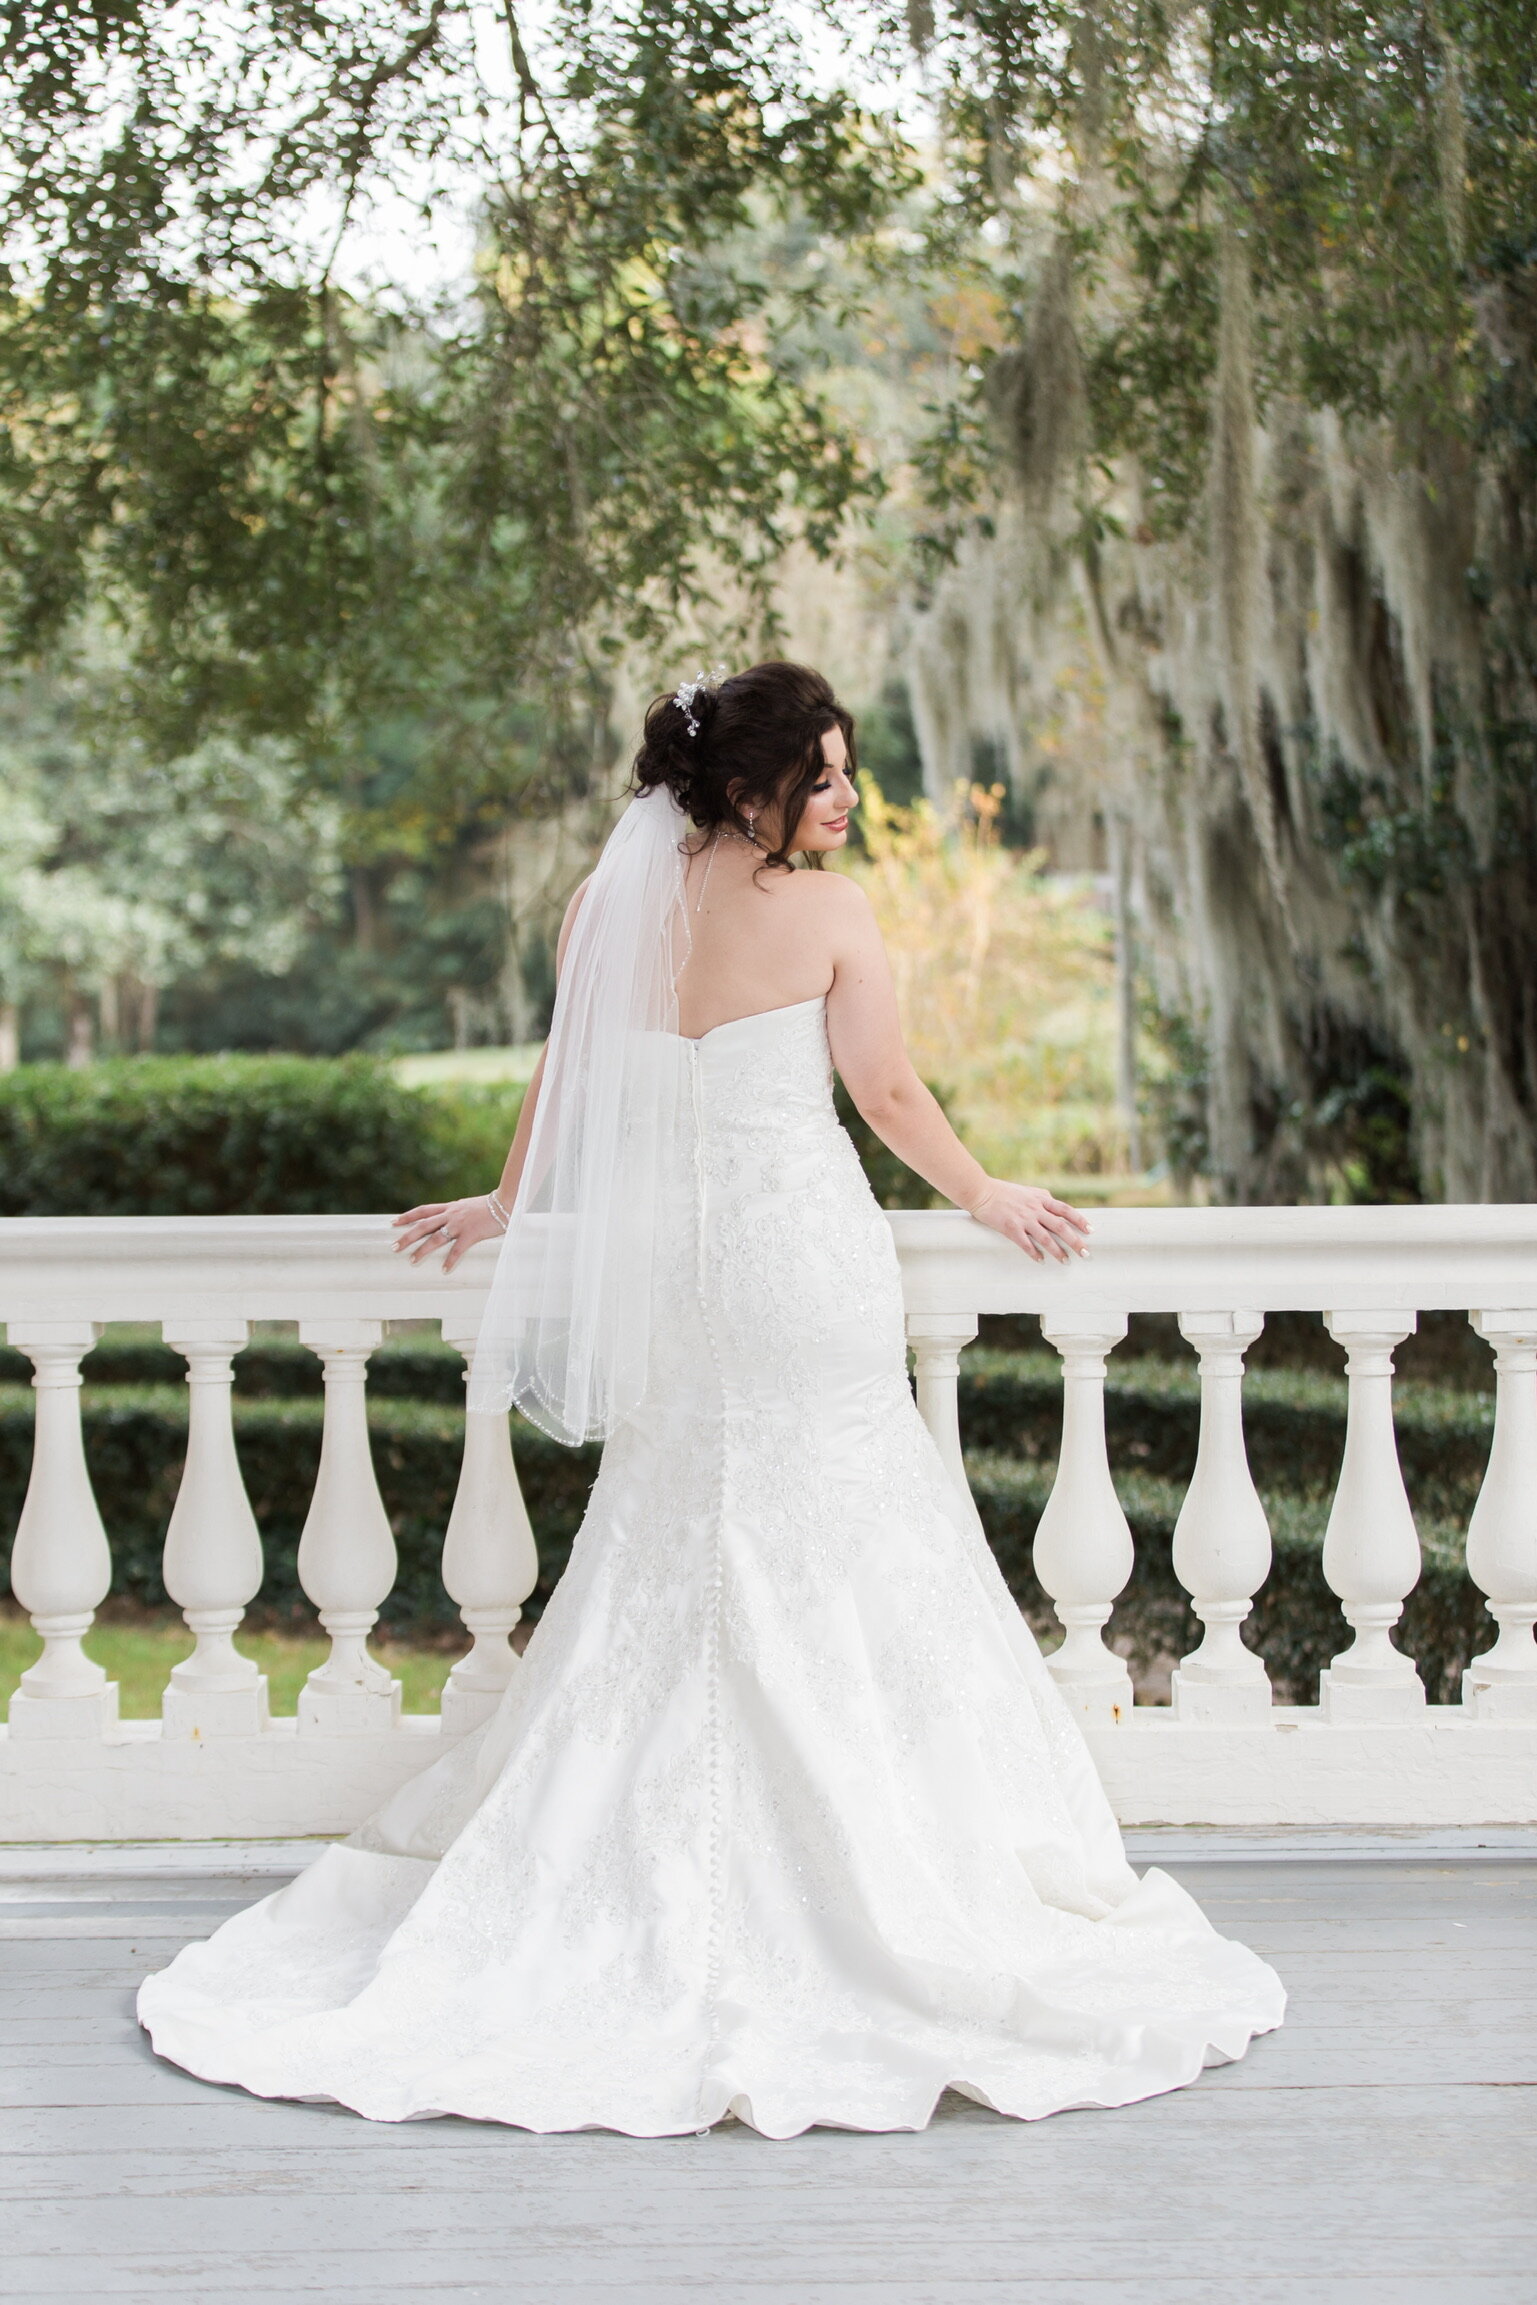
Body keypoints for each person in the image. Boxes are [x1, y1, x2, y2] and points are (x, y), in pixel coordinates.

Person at [139, 660, 1284, 2137]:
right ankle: (883, 1867)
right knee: (852, 1539)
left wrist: (505, 1201)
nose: (847, 797)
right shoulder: (824, 915)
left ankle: (646, 1871)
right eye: (823, 776)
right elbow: (885, 1098)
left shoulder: (606, 905)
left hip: (680, 1282)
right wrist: (988, 1191)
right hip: (801, 1268)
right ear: (750, 789)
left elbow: (569, 1071)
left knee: (681, 1537)